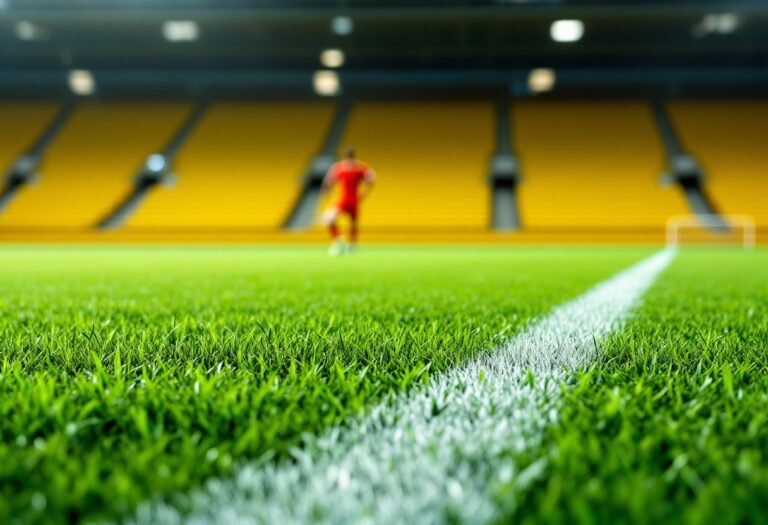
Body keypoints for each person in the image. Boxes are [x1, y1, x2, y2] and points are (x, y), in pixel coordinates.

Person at [321, 148, 375, 256]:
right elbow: (371, 178)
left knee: (328, 219)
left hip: (344, 199)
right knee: (353, 223)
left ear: (344, 156)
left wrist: (328, 194)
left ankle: (338, 240)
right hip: (355, 199)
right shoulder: (360, 167)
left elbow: (327, 182)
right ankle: (351, 245)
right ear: (354, 156)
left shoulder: (339, 167)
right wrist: (364, 194)